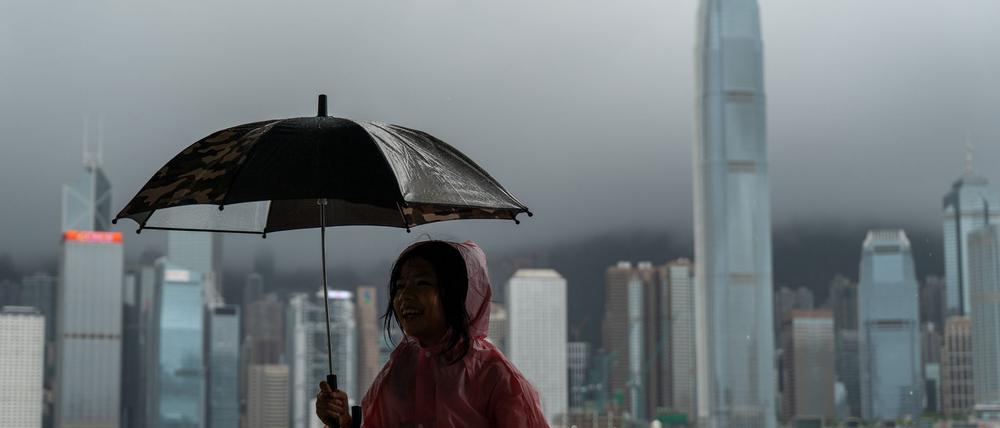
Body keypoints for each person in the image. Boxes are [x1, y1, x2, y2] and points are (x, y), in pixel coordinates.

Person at [315, 240, 549, 428]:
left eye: (422, 283)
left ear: (456, 293)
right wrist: (343, 422)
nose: (405, 296)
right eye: (400, 286)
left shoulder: (494, 375)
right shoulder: (401, 365)